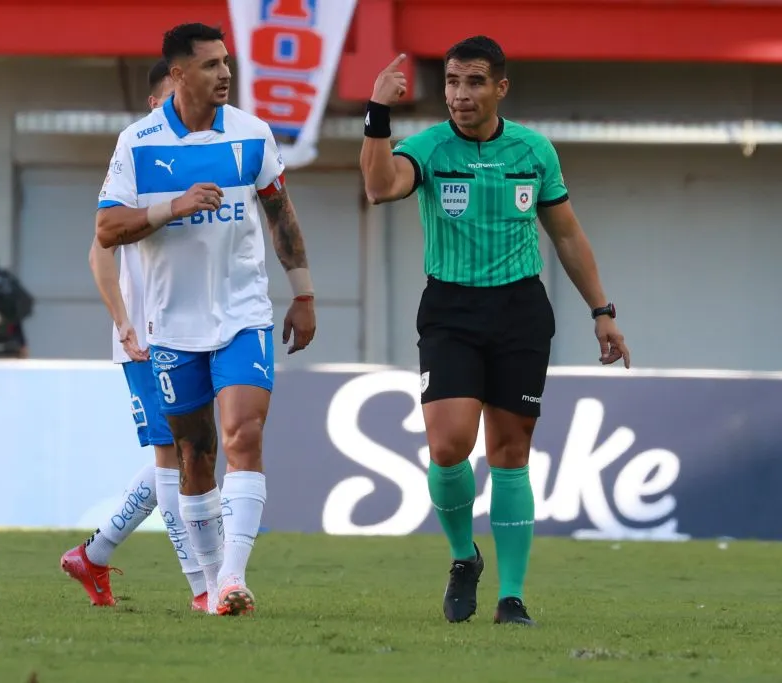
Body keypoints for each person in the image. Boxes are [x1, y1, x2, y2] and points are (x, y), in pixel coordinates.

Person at [360, 36, 631, 626]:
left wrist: (602, 311)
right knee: (448, 444)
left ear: (500, 88)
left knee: (511, 454)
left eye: (474, 82)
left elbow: (565, 235)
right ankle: (464, 557)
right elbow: (380, 187)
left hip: (520, 312)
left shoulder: (533, 151)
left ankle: (512, 597)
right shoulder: (428, 148)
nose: (460, 94)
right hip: (451, 311)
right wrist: (377, 114)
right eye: (453, 82)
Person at [94, 23, 316, 616]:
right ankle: (215, 585)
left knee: (244, 435)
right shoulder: (137, 144)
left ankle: (235, 578)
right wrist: (174, 205)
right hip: (171, 324)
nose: (224, 74)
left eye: (227, 63)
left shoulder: (252, 134)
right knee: (195, 455)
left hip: (244, 312)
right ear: (177, 75)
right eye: (211, 65)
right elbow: (107, 230)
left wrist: (303, 292)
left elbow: (281, 215)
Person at [60, 60, 208, 611]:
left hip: (194, 332)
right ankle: (202, 588)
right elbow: (100, 254)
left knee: (189, 451)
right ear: (157, 102)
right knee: (174, 455)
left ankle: (94, 556)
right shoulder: (134, 164)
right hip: (144, 337)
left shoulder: (203, 161)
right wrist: (123, 321)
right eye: (178, 95)